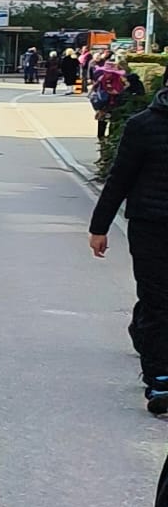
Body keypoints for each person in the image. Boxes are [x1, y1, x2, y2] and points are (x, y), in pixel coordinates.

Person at [89, 71, 168, 412]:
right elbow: (119, 178)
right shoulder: (143, 125)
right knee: (158, 302)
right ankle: (159, 380)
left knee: (158, 304)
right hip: (150, 227)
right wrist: (99, 227)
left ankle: (142, 330)